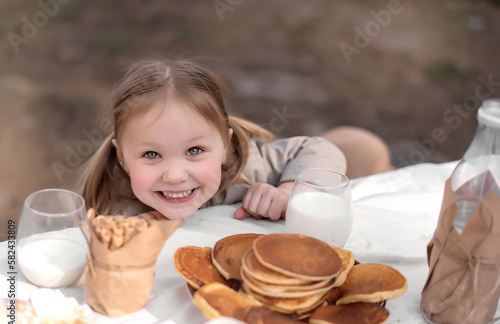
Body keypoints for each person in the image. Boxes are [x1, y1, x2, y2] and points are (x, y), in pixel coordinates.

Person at [79, 56, 392, 221]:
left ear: (225, 148)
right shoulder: (112, 210)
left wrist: (289, 192)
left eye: (195, 150)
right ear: (121, 157)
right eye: (151, 155)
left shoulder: (252, 168)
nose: (174, 175)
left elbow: (318, 148)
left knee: (363, 146)